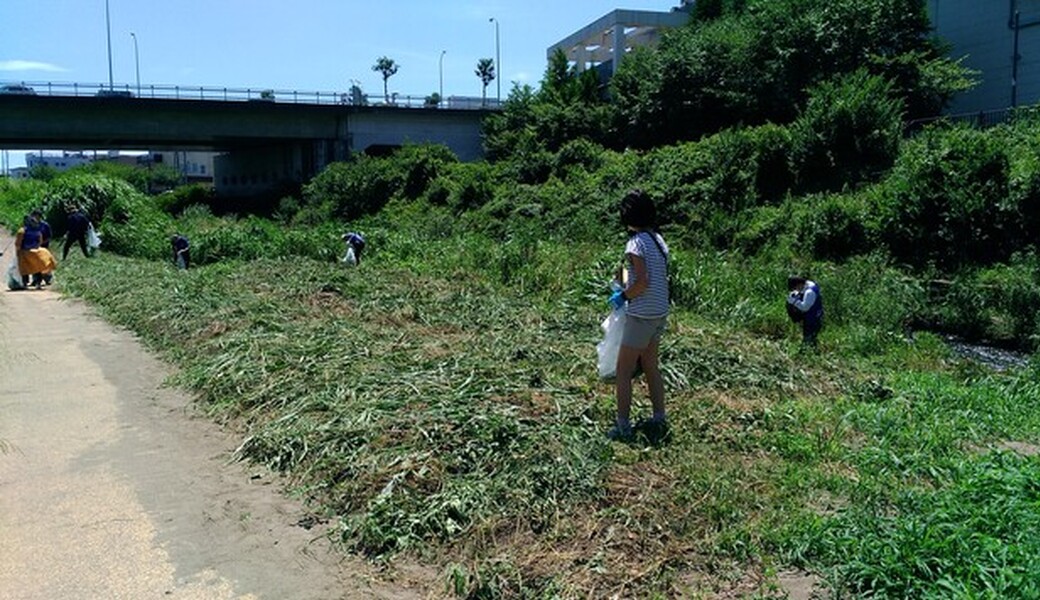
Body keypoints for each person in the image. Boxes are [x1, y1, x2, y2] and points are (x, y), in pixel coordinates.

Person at [606, 189, 670, 442]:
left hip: (641, 315)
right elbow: (648, 276)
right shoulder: (657, 240)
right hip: (659, 312)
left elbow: (642, 281)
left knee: (623, 370)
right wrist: (624, 282)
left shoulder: (634, 243)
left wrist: (623, 296)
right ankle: (658, 417)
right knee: (651, 366)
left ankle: (623, 426)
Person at [15, 214, 57, 289]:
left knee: (24, 267)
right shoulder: (37, 231)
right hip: (36, 251)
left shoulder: (22, 231)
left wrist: (18, 251)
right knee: (37, 266)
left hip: (25, 251)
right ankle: (38, 283)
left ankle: (25, 283)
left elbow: (18, 243)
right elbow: (40, 241)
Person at [787, 275, 824, 348]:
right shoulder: (809, 284)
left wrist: (793, 301)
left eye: (795, 288)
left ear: (799, 284)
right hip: (814, 316)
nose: (796, 290)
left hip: (812, 319)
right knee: (812, 338)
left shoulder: (810, 292)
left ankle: (806, 352)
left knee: (808, 337)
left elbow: (805, 307)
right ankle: (813, 348)